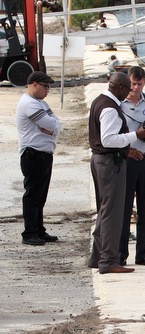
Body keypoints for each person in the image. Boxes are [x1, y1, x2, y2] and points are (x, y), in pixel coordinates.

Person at [87, 72, 145, 274]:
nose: (130, 92)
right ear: (121, 88)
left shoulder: (99, 101)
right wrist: (135, 135)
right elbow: (108, 139)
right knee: (113, 213)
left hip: (100, 161)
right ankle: (108, 261)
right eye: (128, 88)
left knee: (105, 210)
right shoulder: (110, 108)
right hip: (109, 163)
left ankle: (97, 257)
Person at [118, 66, 145, 267]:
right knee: (124, 207)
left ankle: (142, 254)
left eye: (139, 84)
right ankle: (121, 253)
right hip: (127, 159)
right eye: (133, 84)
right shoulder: (119, 104)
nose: (135, 88)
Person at [16, 71, 61, 246]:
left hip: (43, 154)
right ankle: (29, 233)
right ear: (34, 84)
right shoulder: (30, 104)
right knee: (33, 195)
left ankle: (39, 230)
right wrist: (53, 128)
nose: (48, 90)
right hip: (33, 154)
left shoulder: (40, 102)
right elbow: (50, 123)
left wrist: (53, 129)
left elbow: (56, 124)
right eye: (46, 86)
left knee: (41, 196)